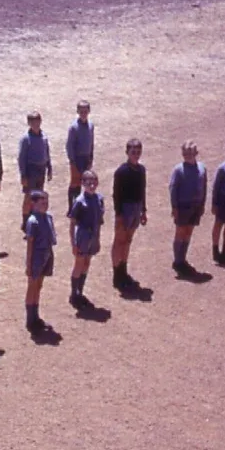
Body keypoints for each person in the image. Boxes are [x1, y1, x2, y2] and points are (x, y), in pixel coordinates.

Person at [111, 138, 147, 289]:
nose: (136, 155)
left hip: (136, 208)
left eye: (138, 152)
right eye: (133, 152)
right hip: (124, 209)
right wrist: (119, 215)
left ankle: (123, 270)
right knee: (119, 241)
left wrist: (143, 210)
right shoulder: (121, 171)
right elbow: (116, 194)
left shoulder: (141, 170)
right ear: (127, 152)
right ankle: (116, 273)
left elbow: (142, 191)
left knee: (128, 240)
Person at [169, 140, 207, 275]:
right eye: (184, 153)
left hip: (196, 206)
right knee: (180, 232)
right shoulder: (178, 170)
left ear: (196, 153)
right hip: (183, 206)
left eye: (190, 153)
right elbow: (173, 189)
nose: (187, 156)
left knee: (188, 232)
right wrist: (174, 207)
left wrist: (203, 204)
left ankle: (183, 258)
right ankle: (177, 261)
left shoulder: (202, 168)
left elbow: (204, 186)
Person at [68, 170, 104, 308]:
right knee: (79, 264)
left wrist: (98, 239)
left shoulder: (99, 199)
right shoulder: (79, 201)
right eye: (89, 182)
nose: (92, 185)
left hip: (93, 235)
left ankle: (80, 291)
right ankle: (73, 294)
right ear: (83, 183)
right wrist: (73, 243)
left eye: (94, 182)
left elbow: (99, 221)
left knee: (87, 263)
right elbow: (72, 223)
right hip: (82, 236)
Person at [24, 190, 57, 334]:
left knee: (39, 286)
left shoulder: (48, 217)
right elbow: (30, 245)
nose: (45, 205)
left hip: (47, 255)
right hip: (36, 257)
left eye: (46, 202)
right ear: (34, 204)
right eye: (42, 203)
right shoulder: (32, 221)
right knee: (32, 286)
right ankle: (30, 319)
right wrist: (29, 264)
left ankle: (36, 315)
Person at [18, 112, 53, 232]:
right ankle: (25, 222)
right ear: (29, 123)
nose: (35, 124)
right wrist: (23, 175)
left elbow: (47, 152)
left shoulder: (44, 136)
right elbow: (22, 158)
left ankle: (35, 219)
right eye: (32, 122)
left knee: (38, 195)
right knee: (28, 196)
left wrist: (49, 167)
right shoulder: (26, 139)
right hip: (31, 170)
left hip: (41, 169)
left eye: (37, 121)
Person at [66, 100, 95, 211]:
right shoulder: (74, 127)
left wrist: (91, 157)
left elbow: (91, 142)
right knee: (75, 182)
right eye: (81, 111)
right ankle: (71, 207)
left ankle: (80, 205)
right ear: (77, 111)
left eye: (85, 111)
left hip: (86, 158)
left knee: (86, 181)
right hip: (76, 158)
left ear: (89, 111)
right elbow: (70, 145)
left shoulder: (90, 125)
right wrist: (72, 161)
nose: (83, 113)